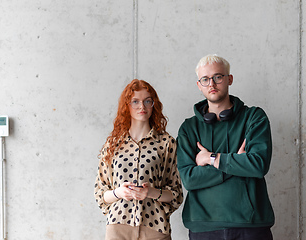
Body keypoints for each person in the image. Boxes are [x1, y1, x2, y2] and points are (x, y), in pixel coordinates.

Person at [177, 54, 275, 240]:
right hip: (203, 227)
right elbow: (189, 179)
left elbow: (258, 164)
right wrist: (236, 162)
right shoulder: (189, 129)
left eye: (218, 77)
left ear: (229, 79)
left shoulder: (254, 117)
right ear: (199, 85)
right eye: (205, 79)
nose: (211, 84)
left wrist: (212, 159)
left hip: (251, 225)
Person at [94, 79, 183, 240]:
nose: (142, 107)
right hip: (118, 227)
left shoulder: (166, 143)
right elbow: (100, 194)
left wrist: (151, 192)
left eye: (147, 101)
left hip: (155, 227)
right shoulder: (113, 143)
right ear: (126, 106)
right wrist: (119, 192)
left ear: (153, 104)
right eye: (135, 101)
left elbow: (176, 194)